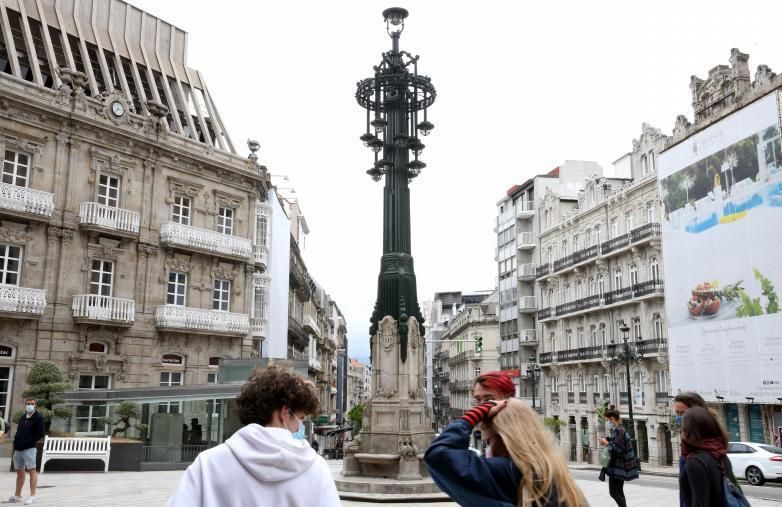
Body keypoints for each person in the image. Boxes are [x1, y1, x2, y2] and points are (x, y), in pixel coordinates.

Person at [167, 365, 340, 507]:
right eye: (301, 419)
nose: (301, 426)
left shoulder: (207, 464)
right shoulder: (316, 468)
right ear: (285, 413)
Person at [425, 398, 587, 506]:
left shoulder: (509, 472)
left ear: (504, 437)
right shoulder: (560, 482)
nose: (487, 450)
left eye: (489, 441)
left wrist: (471, 417)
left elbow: (438, 455)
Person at [679, 406, 737, 506]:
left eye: (683, 427)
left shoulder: (695, 462)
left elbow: (700, 503)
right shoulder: (721, 455)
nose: (681, 431)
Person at [598, 409, 638, 507]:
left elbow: (617, 448)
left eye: (608, 420)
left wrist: (606, 442)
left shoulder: (620, 430)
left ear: (613, 419)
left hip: (618, 468)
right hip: (619, 467)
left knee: (614, 492)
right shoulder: (619, 430)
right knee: (619, 491)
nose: (608, 423)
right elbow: (616, 442)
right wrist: (607, 439)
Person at [9, 398, 45, 505]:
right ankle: (17, 495)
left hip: (29, 448)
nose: (30, 405)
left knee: (32, 471)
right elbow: (19, 431)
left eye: (32, 404)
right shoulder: (22, 417)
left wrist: (29, 441)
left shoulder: (38, 418)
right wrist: (16, 442)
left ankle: (32, 496)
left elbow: (40, 433)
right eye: (28, 403)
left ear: (35, 405)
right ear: (25, 405)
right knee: (20, 472)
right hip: (18, 449)